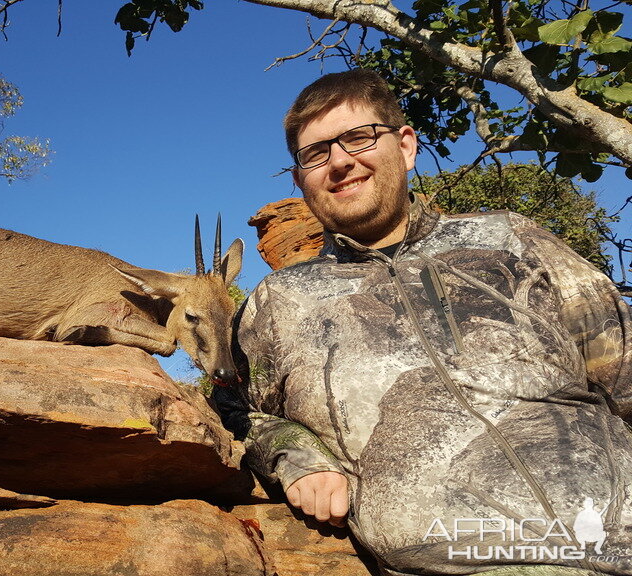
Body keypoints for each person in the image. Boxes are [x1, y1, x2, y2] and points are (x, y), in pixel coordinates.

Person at [213, 68, 632, 575]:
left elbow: (624, 370)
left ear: (406, 146)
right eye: (315, 153)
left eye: (358, 137)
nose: (340, 161)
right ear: (302, 179)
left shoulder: (513, 240)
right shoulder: (279, 301)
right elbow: (233, 408)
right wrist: (296, 455)